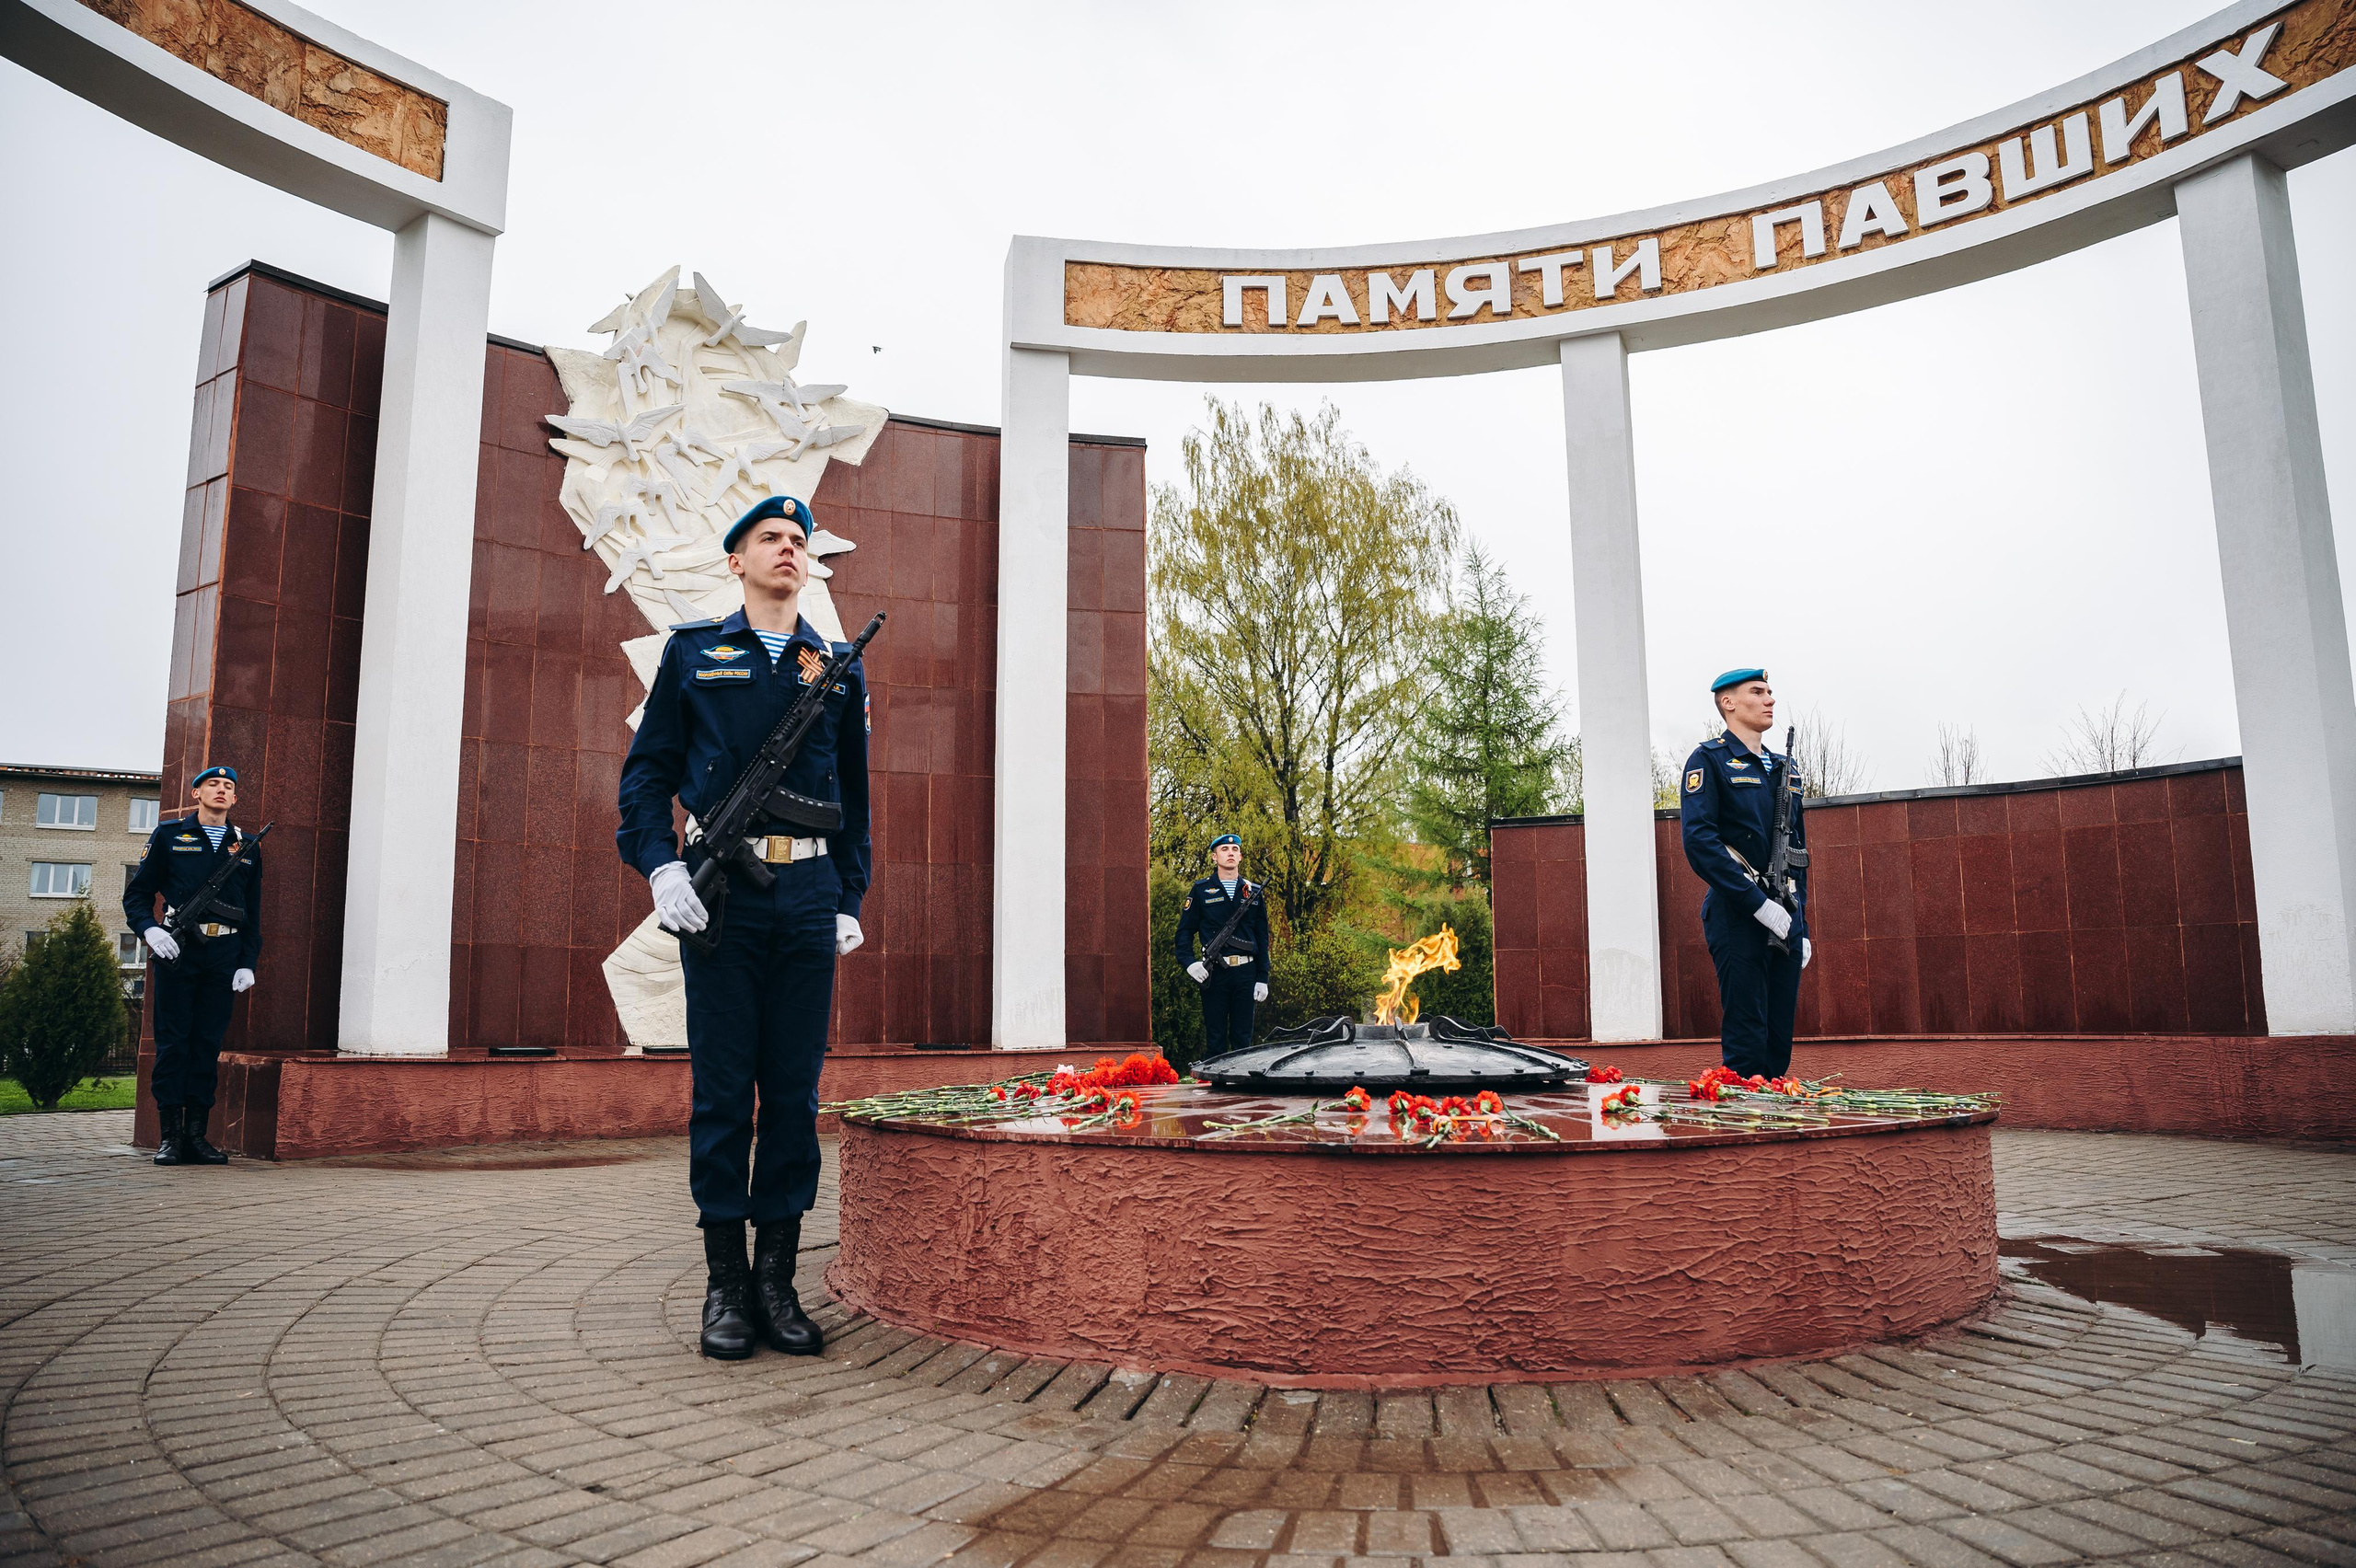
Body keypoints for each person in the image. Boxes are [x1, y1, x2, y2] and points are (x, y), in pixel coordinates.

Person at [618, 493, 871, 1361]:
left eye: (799, 540)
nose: (789, 548)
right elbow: (646, 778)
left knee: (794, 1096)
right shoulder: (695, 654)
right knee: (725, 1093)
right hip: (723, 895)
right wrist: (661, 867)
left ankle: (777, 1283)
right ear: (737, 561)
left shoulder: (835, 666)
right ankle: (725, 1284)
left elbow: (856, 797)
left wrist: (849, 898)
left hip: (807, 893)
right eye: (771, 538)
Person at [123, 764, 261, 1168]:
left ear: (234, 798)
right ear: (196, 793)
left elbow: (253, 912)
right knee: (173, 1044)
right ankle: (170, 1138)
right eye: (212, 784)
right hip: (178, 950)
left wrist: (247, 962)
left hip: (224, 955)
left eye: (228, 786)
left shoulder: (247, 845)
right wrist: (151, 930)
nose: (221, 790)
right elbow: (137, 895)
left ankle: (197, 1137)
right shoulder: (169, 835)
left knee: (206, 1044)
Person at [1680, 670, 1811, 1078]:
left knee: (1778, 1038)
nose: (1770, 699)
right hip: (1737, 912)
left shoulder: (1784, 768)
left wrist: (1802, 925)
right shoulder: (1709, 760)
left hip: (1786, 915)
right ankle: (1745, 1113)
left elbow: (1797, 852)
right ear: (1729, 703)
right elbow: (1700, 843)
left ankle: (1773, 1108)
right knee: (1747, 1036)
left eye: (1770, 691)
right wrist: (1758, 905)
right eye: (1758, 691)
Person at [1174, 833, 1270, 1059]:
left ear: (1240, 857)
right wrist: (1189, 963)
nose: (1230, 853)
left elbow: (1262, 937)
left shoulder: (1253, 891)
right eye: (1224, 850)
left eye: (1235, 850)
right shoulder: (1201, 890)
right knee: (1215, 1039)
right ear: (1214, 857)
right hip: (1215, 973)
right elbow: (1184, 932)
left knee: (1243, 1041)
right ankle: (1215, 1080)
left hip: (1246, 972)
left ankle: (1241, 1081)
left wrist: (1262, 977)